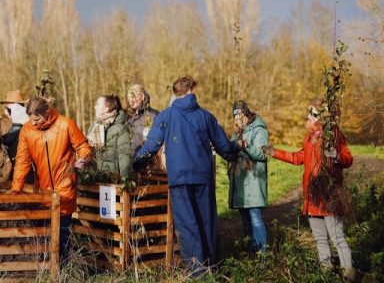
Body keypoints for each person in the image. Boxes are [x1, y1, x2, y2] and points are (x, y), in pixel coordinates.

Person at [132, 75, 242, 271]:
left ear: (176, 94)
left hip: (179, 179)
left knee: (187, 224)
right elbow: (224, 146)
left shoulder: (165, 116)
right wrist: (237, 148)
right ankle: (212, 266)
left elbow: (151, 146)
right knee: (207, 221)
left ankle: (197, 271)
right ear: (191, 90)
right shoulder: (206, 116)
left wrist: (136, 162)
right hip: (203, 177)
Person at [264, 101, 354, 280]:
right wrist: (275, 152)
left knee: (337, 238)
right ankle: (326, 273)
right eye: (309, 114)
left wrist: (336, 156)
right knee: (320, 239)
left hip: (330, 197)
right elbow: (299, 157)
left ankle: (348, 274)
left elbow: (348, 159)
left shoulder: (334, 135)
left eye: (312, 114)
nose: (308, 117)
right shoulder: (309, 137)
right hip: (313, 198)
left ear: (323, 116)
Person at [12, 97, 93, 260]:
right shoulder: (27, 130)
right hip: (42, 191)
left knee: (63, 233)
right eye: (30, 119)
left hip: (65, 188)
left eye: (37, 119)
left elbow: (83, 147)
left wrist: (84, 158)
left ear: (46, 112)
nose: (33, 123)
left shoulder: (66, 124)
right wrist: (16, 189)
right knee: (46, 233)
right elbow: (22, 161)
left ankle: (66, 267)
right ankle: (49, 267)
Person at [228, 100, 270, 253]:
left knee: (256, 221)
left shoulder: (259, 130)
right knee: (246, 223)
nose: (237, 120)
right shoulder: (237, 132)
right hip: (241, 186)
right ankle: (251, 255)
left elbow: (263, 154)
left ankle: (263, 258)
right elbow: (231, 153)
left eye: (239, 116)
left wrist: (246, 146)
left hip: (254, 183)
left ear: (246, 113)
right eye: (235, 117)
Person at [0, 90, 30, 182]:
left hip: (27, 173)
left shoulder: (28, 122)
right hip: (7, 176)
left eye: (20, 105)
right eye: (15, 105)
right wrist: (6, 162)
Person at [87, 95, 132, 178]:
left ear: (106, 109)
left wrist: (125, 181)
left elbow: (125, 157)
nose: (95, 107)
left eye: (98, 104)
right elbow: (88, 153)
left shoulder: (120, 129)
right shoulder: (94, 127)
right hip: (96, 178)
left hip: (114, 180)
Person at [125, 84, 160, 155]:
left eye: (134, 96)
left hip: (148, 158)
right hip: (130, 158)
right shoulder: (126, 117)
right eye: (129, 98)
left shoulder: (153, 115)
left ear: (142, 96)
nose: (132, 100)